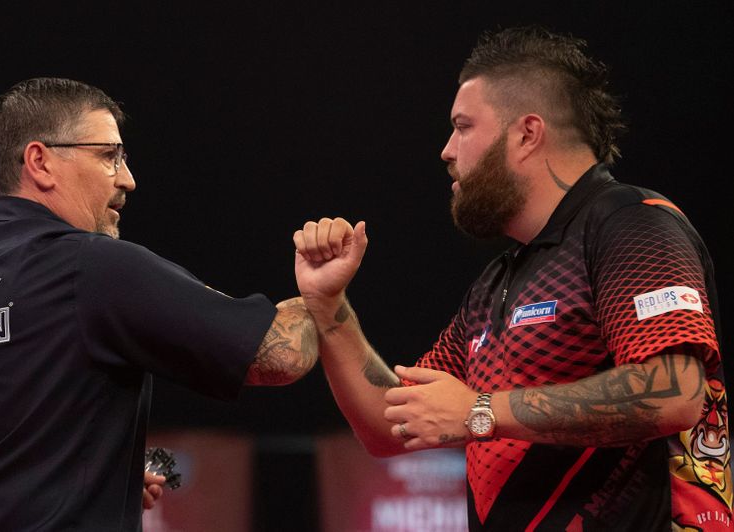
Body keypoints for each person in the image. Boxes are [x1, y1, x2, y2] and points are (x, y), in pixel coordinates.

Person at [293, 26, 730, 530]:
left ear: (527, 133)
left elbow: (675, 395)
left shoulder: (632, 223)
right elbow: (391, 427)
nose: (447, 151)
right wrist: (329, 307)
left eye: (462, 126)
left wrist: (480, 411)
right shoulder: (496, 282)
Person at [0, 77, 318, 531]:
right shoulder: (89, 266)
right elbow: (280, 356)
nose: (127, 179)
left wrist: (70, 472)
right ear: (40, 162)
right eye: (108, 156)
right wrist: (321, 297)